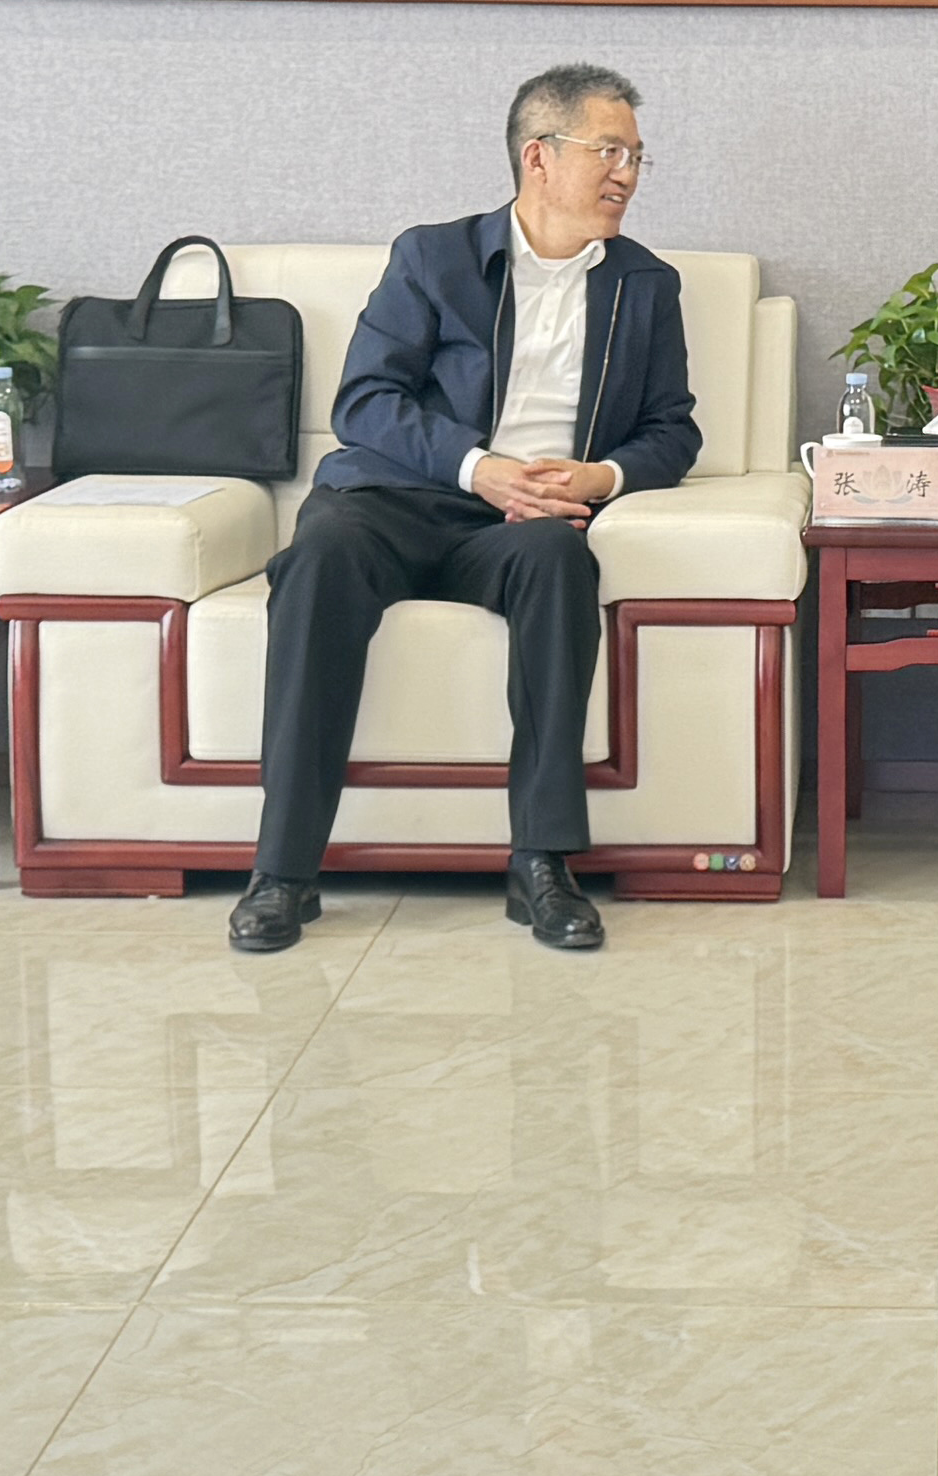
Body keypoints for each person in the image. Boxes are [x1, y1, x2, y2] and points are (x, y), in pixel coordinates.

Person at [229, 62, 701, 957]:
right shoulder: (434, 258)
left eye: (637, 157)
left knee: (562, 563)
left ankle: (541, 864)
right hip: (396, 500)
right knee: (319, 557)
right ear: (539, 156)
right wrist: (479, 468)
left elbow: (673, 429)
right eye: (609, 152)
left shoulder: (645, 284)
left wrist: (598, 478)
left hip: (523, 530)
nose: (628, 175)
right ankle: (283, 870)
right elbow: (364, 402)